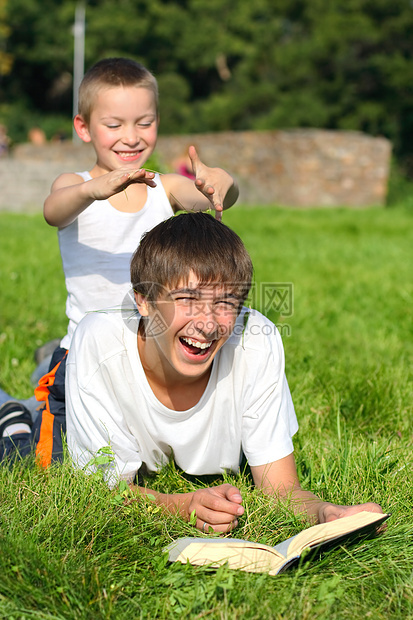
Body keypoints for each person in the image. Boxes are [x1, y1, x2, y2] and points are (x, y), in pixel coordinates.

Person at [63, 212, 382, 532]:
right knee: (31, 439)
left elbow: (280, 489)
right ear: (144, 301)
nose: (208, 323)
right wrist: (181, 505)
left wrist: (326, 513)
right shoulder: (99, 344)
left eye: (226, 303)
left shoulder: (256, 342)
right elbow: (101, 491)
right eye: (187, 298)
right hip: (71, 384)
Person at [0, 57, 239, 466]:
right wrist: (95, 190)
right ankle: (14, 413)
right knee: (51, 462)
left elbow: (216, 197)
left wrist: (222, 182)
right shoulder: (76, 186)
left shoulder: (166, 188)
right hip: (85, 356)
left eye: (143, 123)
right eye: (114, 125)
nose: (130, 137)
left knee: (140, 458)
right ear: (83, 127)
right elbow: (54, 210)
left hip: (152, 356)